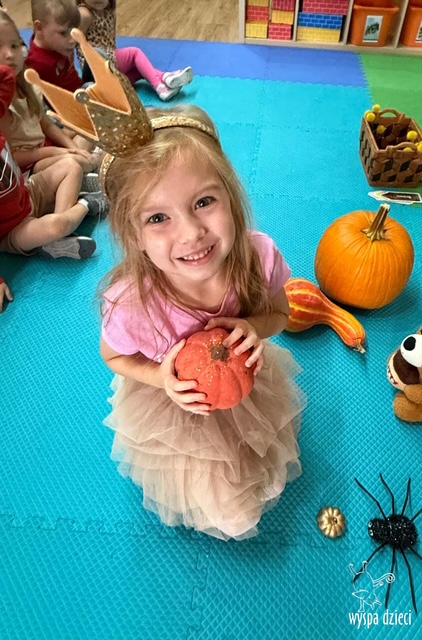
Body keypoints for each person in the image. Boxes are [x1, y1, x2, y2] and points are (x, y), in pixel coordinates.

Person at [98, 104, 306, 541]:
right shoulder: (132, 304)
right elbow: (113, 356)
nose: (191, 233)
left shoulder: (258, 257)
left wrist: (256, 327)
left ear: (230, 196)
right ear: (133, 234)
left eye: (204, 202)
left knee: (260, 449)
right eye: (158, 218)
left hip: (243, 382)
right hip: (174, 402)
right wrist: (160, 377)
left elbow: (281, 314)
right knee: (219, 499)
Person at [0, 64, 109, 260]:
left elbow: (6, 75)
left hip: (28, 194)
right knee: (56, 226)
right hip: (12, 230)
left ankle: (60, 231)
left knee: (71, 165)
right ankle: (86, 203)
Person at [0, 10, 98, 175]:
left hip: (45, 148)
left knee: (91, 126)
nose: (10, 55)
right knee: (76, 161)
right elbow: (11, 158)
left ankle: (89, 166)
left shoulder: (26, 85)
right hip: (30, 166)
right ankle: (92, 167)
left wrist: (72, 148)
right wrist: (58, 152)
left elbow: (46, 125)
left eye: (14, 46)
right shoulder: (2, 104)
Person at [75, 0, 194, 101]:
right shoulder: (85, 14)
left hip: (110, 65)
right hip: (97, 63)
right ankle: (160, 86)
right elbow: (76, 41)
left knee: (140, 70)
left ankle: (166, 78)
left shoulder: (108, 11)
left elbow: (111, 40)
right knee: (134, 53)